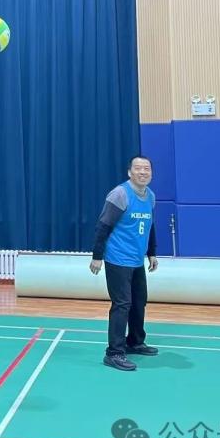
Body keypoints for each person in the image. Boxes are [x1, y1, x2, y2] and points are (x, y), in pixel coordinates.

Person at [89, 155, 159, 371]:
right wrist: (97, 256)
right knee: (122, 304)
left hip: (137, 259)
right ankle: (114, 353)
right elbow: (103, 226)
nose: (143, 172)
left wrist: (152, 253)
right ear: (130, 172)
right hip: (117, 258)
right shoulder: (120, 194)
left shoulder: (150, 196)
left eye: (147, 169)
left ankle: (135, 342)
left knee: (139, 301)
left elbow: (150, 226)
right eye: (138, 168)